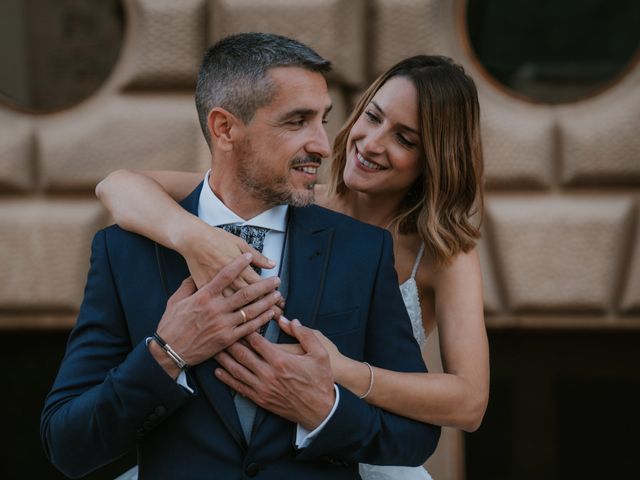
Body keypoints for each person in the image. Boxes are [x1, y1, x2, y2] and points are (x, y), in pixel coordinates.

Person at [41, 33, 439, 479]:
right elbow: (67, 444)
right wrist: (168, 353)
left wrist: (323, 410)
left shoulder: (362, 249)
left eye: (323, 120)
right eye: (297, 121)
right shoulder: (123, 252)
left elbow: (416, 438)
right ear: (225, 128)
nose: (324, 146)